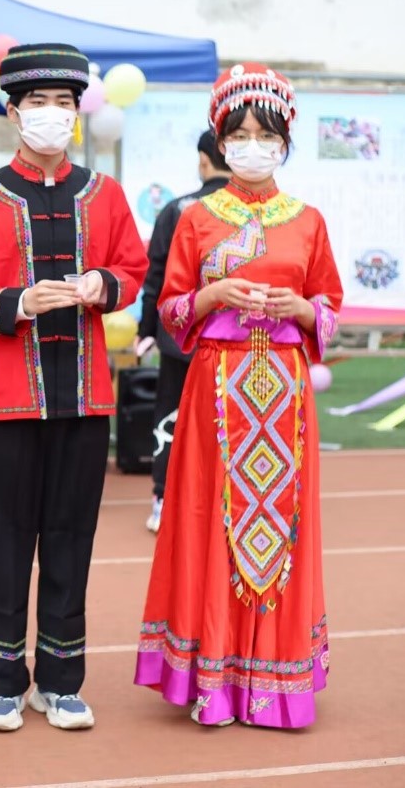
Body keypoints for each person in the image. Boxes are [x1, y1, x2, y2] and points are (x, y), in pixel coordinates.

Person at [135, 64, 343, 729]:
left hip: (284, 394)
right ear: (221, 142)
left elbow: (330, 306)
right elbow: (169, 309)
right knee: (209, 521)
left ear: (285, 142)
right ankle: (214, 680)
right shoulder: (195, 219)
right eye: (241, 136)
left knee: (282, 524)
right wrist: (211, 295)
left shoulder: (308, 222)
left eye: (267, 136)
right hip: (215, 388)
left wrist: (302, 311)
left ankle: (272, 682)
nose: (254, 147)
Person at [0, 43, 148, 733]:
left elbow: (132, 268)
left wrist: (102, 284)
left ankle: (60, 682)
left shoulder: (104, 193)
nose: (53, 114)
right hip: (7, 399)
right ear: (13, 112)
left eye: (64, 102)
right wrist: (20, 302)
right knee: (6, 540)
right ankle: (3, 681)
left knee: (71, 538)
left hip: (85, 397)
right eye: (39, 102)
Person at [136, 130, 232, 533]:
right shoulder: (256, 211)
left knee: (172, 415)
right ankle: (225, 503)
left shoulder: (177, 209)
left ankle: (163, 499)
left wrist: (146, 330)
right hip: (235, 340)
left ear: (203, 160)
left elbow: (155, 275)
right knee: (228, 419)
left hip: (180, 336)